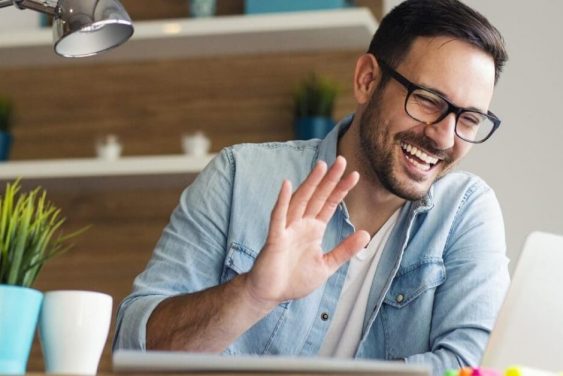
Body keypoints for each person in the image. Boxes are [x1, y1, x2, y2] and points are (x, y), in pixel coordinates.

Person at [113, 1, 510, 375]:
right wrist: (250, 296)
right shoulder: (239, 175)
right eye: (428, 100)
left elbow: (473, 365)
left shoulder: (464, 212)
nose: (445, 136)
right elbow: (134, 351)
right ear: (367, 80)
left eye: (470, 120)